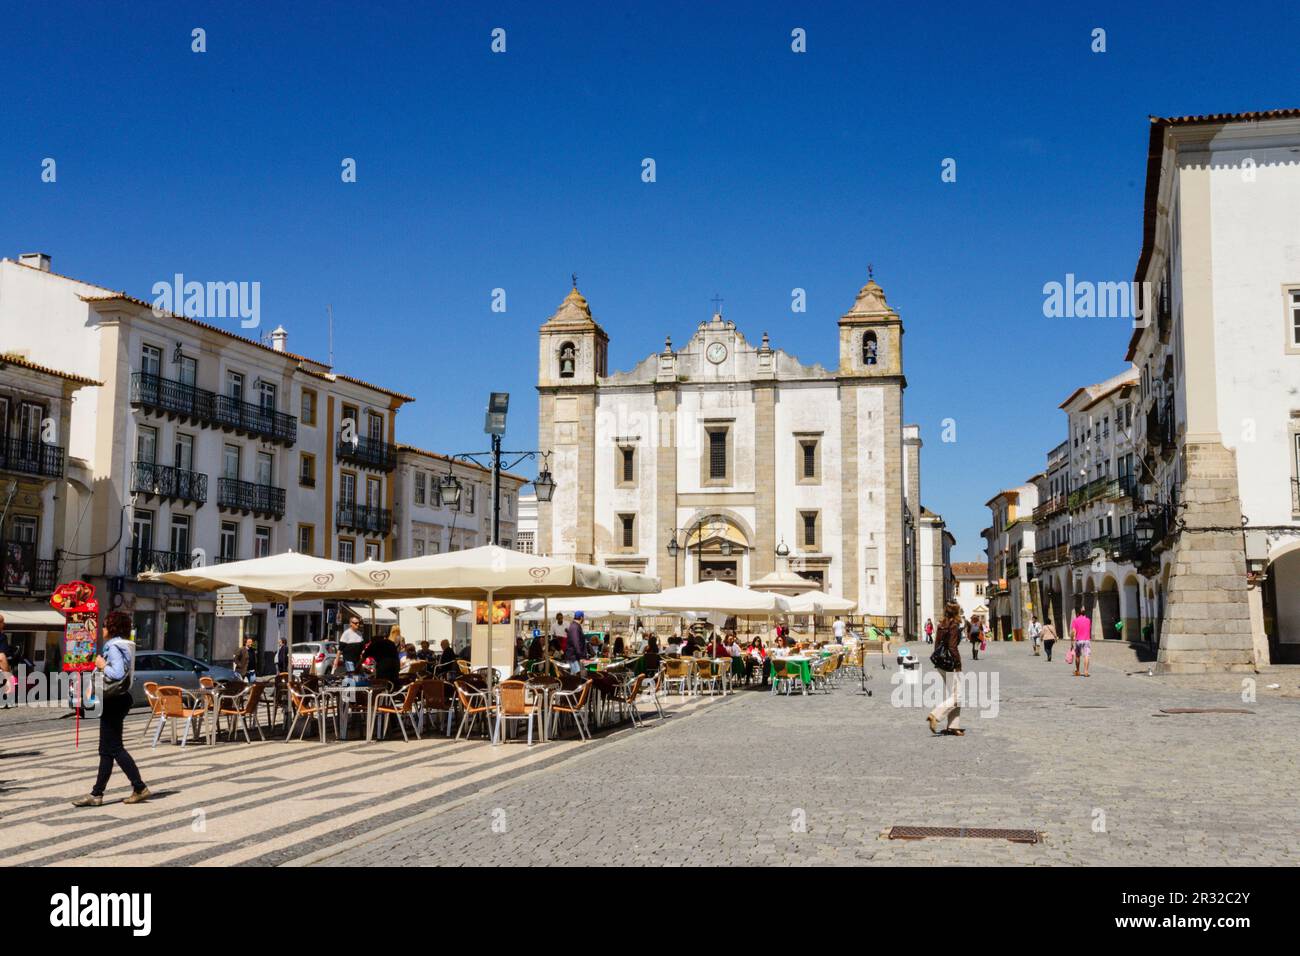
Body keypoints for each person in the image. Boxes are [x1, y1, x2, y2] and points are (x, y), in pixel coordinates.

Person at [73, 612, 150, 806]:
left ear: (113, 628)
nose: (103, 629)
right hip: (119, 699)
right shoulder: (126, 646)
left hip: (113, 700)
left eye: (105, 625)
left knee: (114, 748)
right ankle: (97, 794)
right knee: (106, 750)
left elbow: (116, 673)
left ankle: (139, 787)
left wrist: (102, 664)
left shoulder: (114, 647)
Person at [926, 601, 964, 737]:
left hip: (941, 663)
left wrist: (939, 660)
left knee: (955, 694)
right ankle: (935, 715)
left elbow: (936, 645)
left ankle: (953, 726)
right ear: (956, 612)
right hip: (951, 664)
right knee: (958, 696)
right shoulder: (953, 626)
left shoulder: (941, 625)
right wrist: (958, 664)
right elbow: (953, 647)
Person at [1071, 607, 1092, 677]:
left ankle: (1078, 671)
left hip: (1078, 640)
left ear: (1077, 614)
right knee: (1086, 655)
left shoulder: (1075, 620)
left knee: (1077, 656)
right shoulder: (1088, 620)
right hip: (1086, 640)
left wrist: (1071, 643)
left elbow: (1073, 632)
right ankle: (1086, 671)